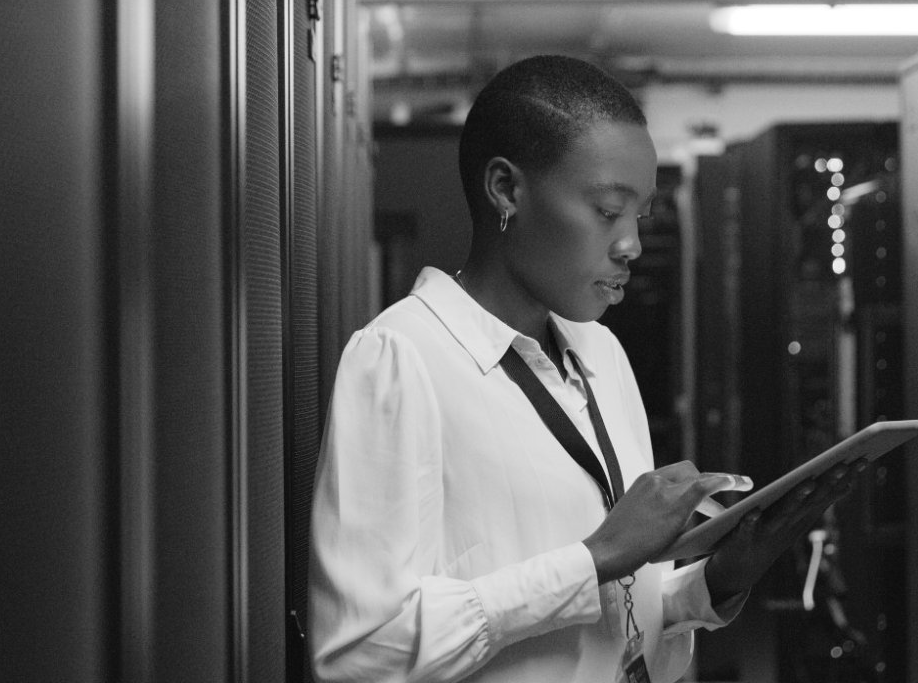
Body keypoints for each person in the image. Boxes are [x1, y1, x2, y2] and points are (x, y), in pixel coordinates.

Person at [308, 55, 863, 683]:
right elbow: (358, 654)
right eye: (607, 210)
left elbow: (612, 622)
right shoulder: (402, 358)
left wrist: (714, 581)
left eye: (642, 215)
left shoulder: (599, 351)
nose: (631, 243)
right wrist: (594, 558)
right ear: (506, 189)